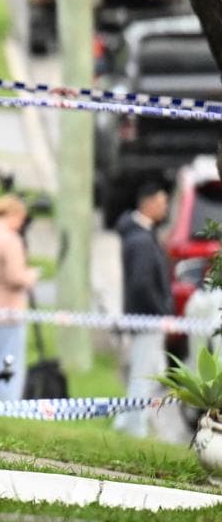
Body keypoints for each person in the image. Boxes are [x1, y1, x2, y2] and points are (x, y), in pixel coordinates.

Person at [113, 182, 172, 438]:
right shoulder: (142, 240)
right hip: (147, 317)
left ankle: (127, 420)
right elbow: (141, 283)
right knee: (144, 374)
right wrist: (161, 310)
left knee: (155, 371)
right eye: (162, 203)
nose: (166, 208)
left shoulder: (143, 235)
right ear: (148, 204)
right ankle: (134, 425)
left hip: (146, 317)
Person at [0, 195, 39, 401]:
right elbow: (15, 276)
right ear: (14, 215)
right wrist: (32, 275)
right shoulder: (11, 240)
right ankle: (6, 403)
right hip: (9, 310)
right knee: (8, 360)